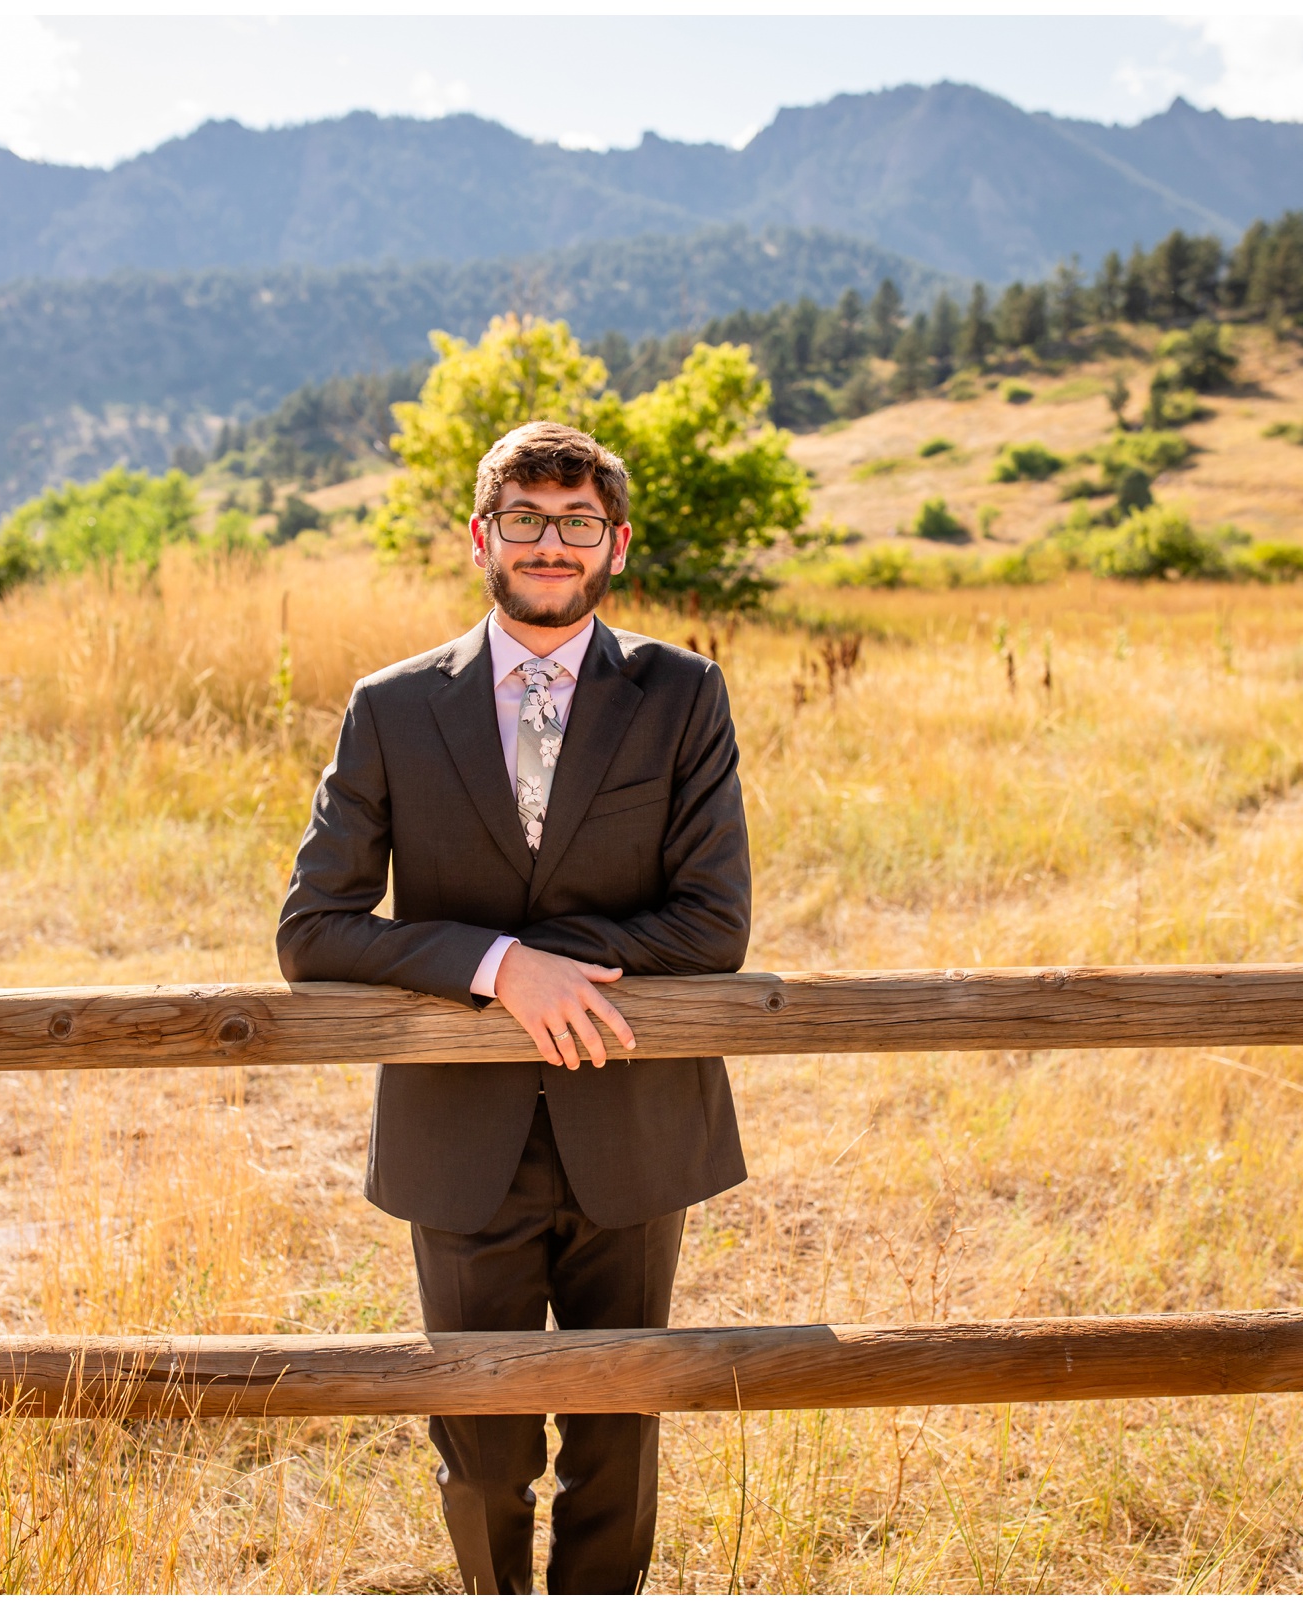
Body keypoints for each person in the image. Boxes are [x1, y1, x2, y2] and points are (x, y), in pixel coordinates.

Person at [277, 420, 752, 1593]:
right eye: (528, 519)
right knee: (480, 1450)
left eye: (578, 520)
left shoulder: (682, 693)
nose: (553, 542)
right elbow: (313, 928)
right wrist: (496, 964)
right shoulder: (391, 707)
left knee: (617, 1439)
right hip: (458, 1138)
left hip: (634, 1123)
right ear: (481, 536)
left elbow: (714, 923)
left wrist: (549, 957)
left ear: (617, 543)